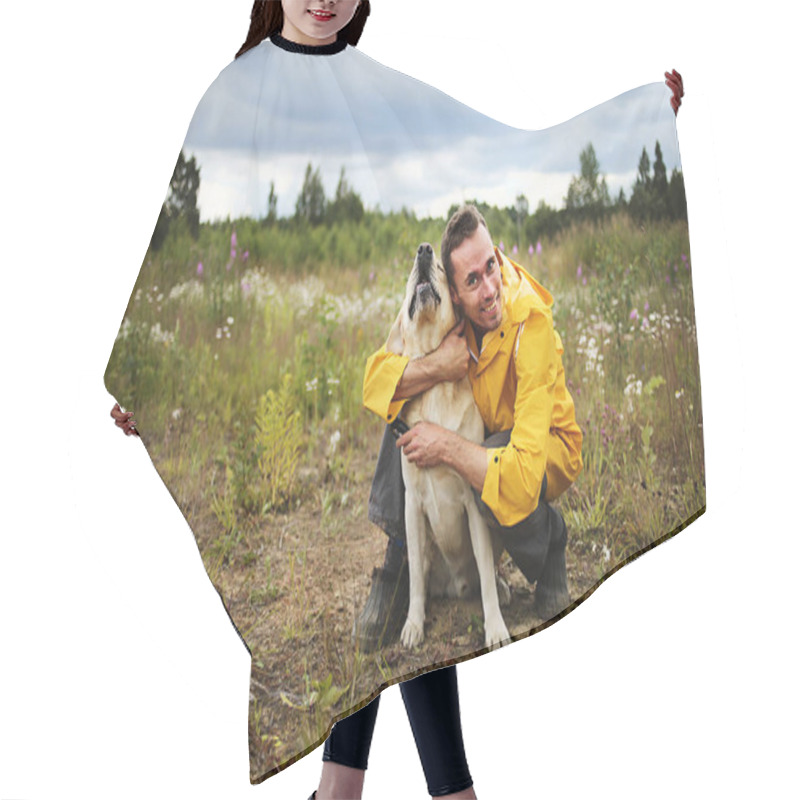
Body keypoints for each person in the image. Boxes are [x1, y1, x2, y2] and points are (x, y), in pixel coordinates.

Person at [107, 4, 686, 798]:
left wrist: (643, 123)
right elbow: (183, 237)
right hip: (448, 445)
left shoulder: (520, 311)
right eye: (467, 278)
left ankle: (518, 574)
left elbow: (512, 149)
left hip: (523, 469)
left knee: (459, 472)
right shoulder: (235, 91)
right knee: (403, 425)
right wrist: (150, 385)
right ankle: (393, 778)